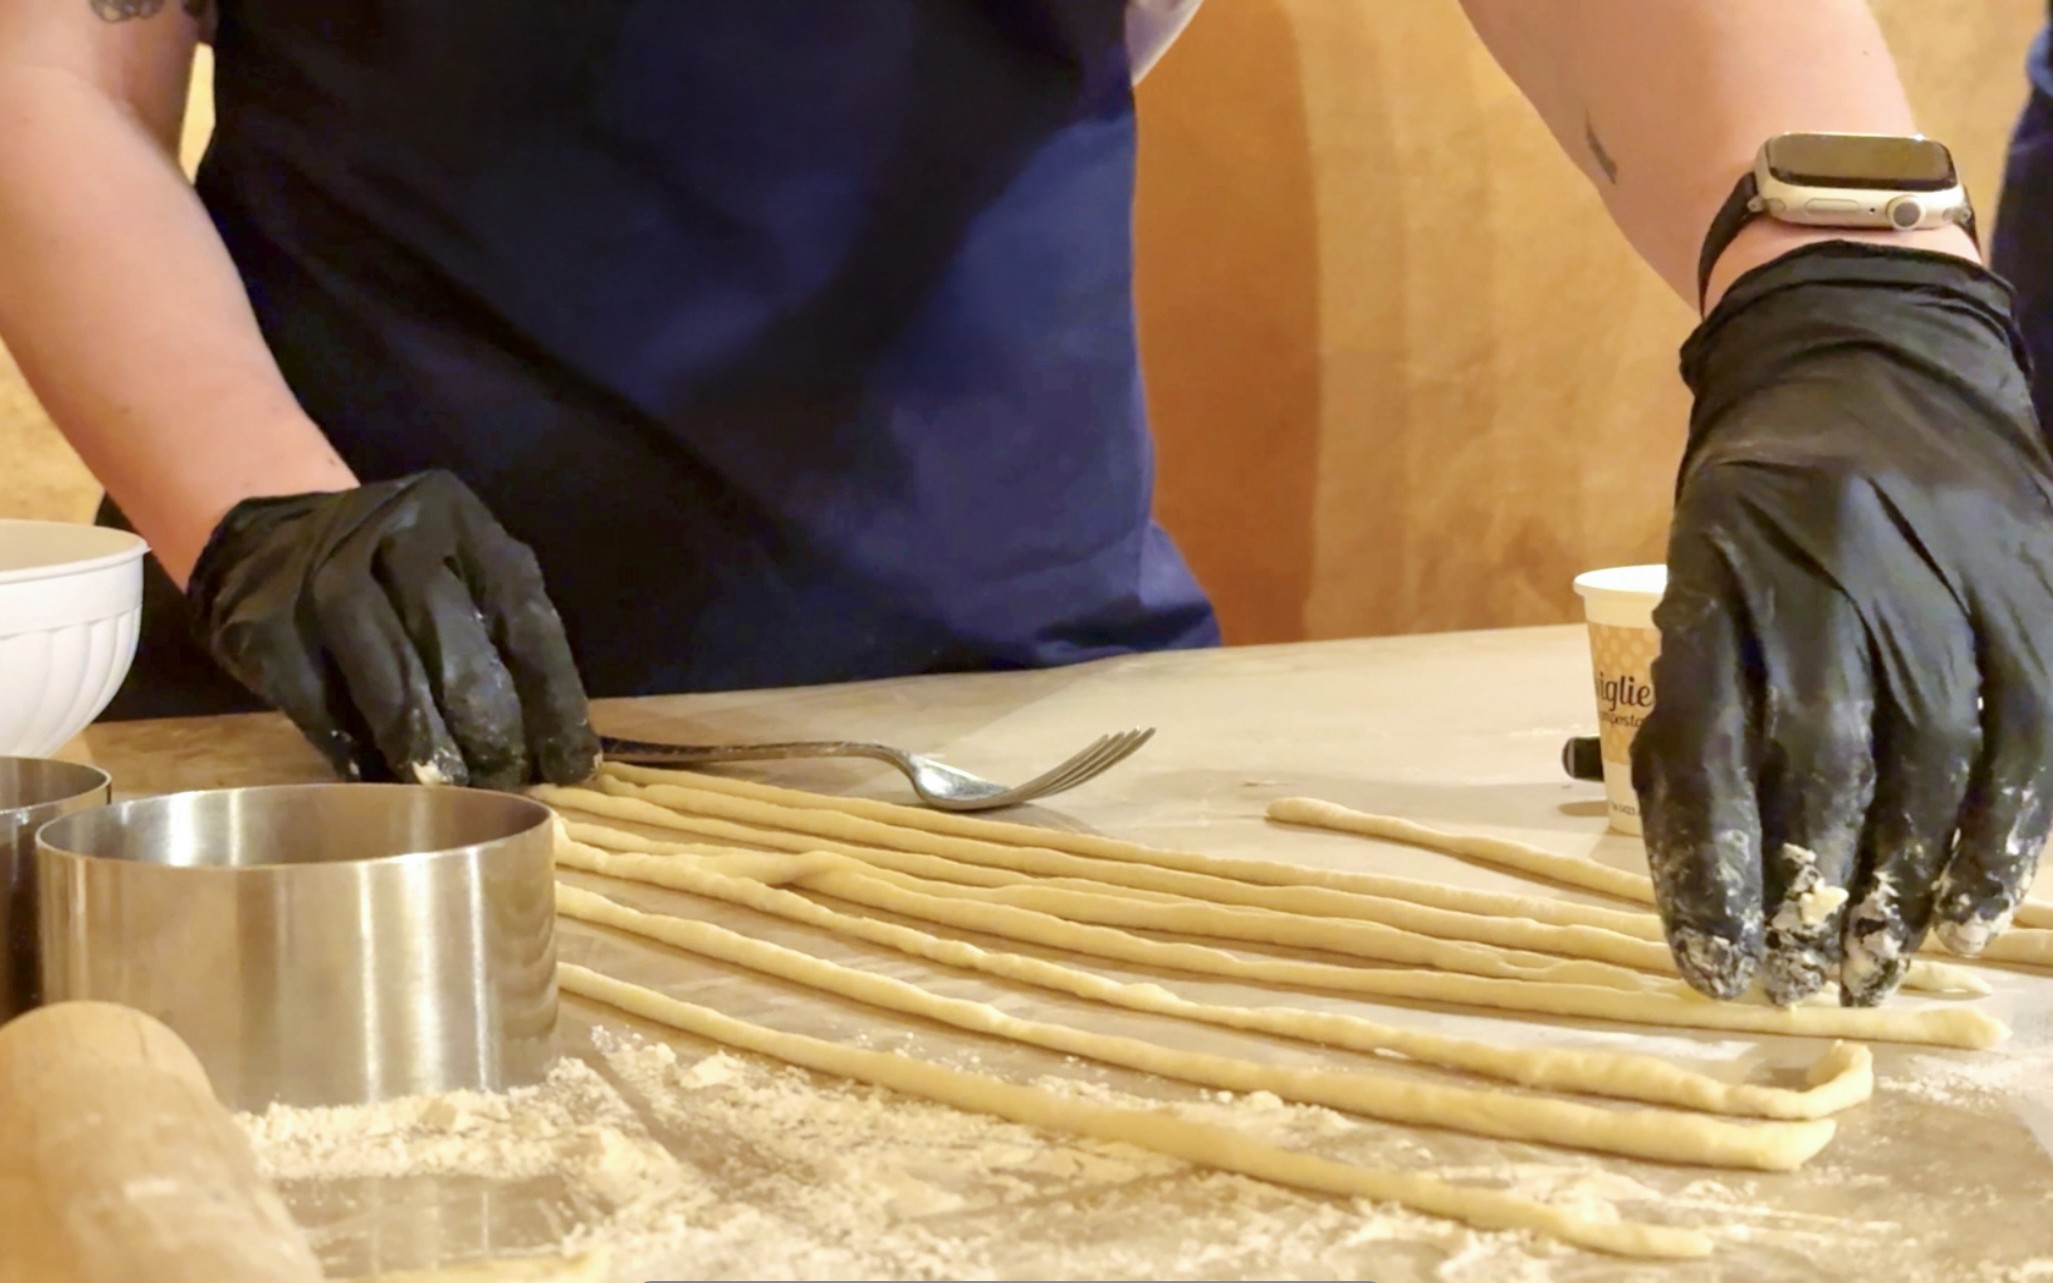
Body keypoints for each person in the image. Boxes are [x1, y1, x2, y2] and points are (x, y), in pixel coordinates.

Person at [2, 0, 2047, 1011]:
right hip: (340, 778)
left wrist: (1843, 277)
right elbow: (51, 71)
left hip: (1021, 728)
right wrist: (260, 509)